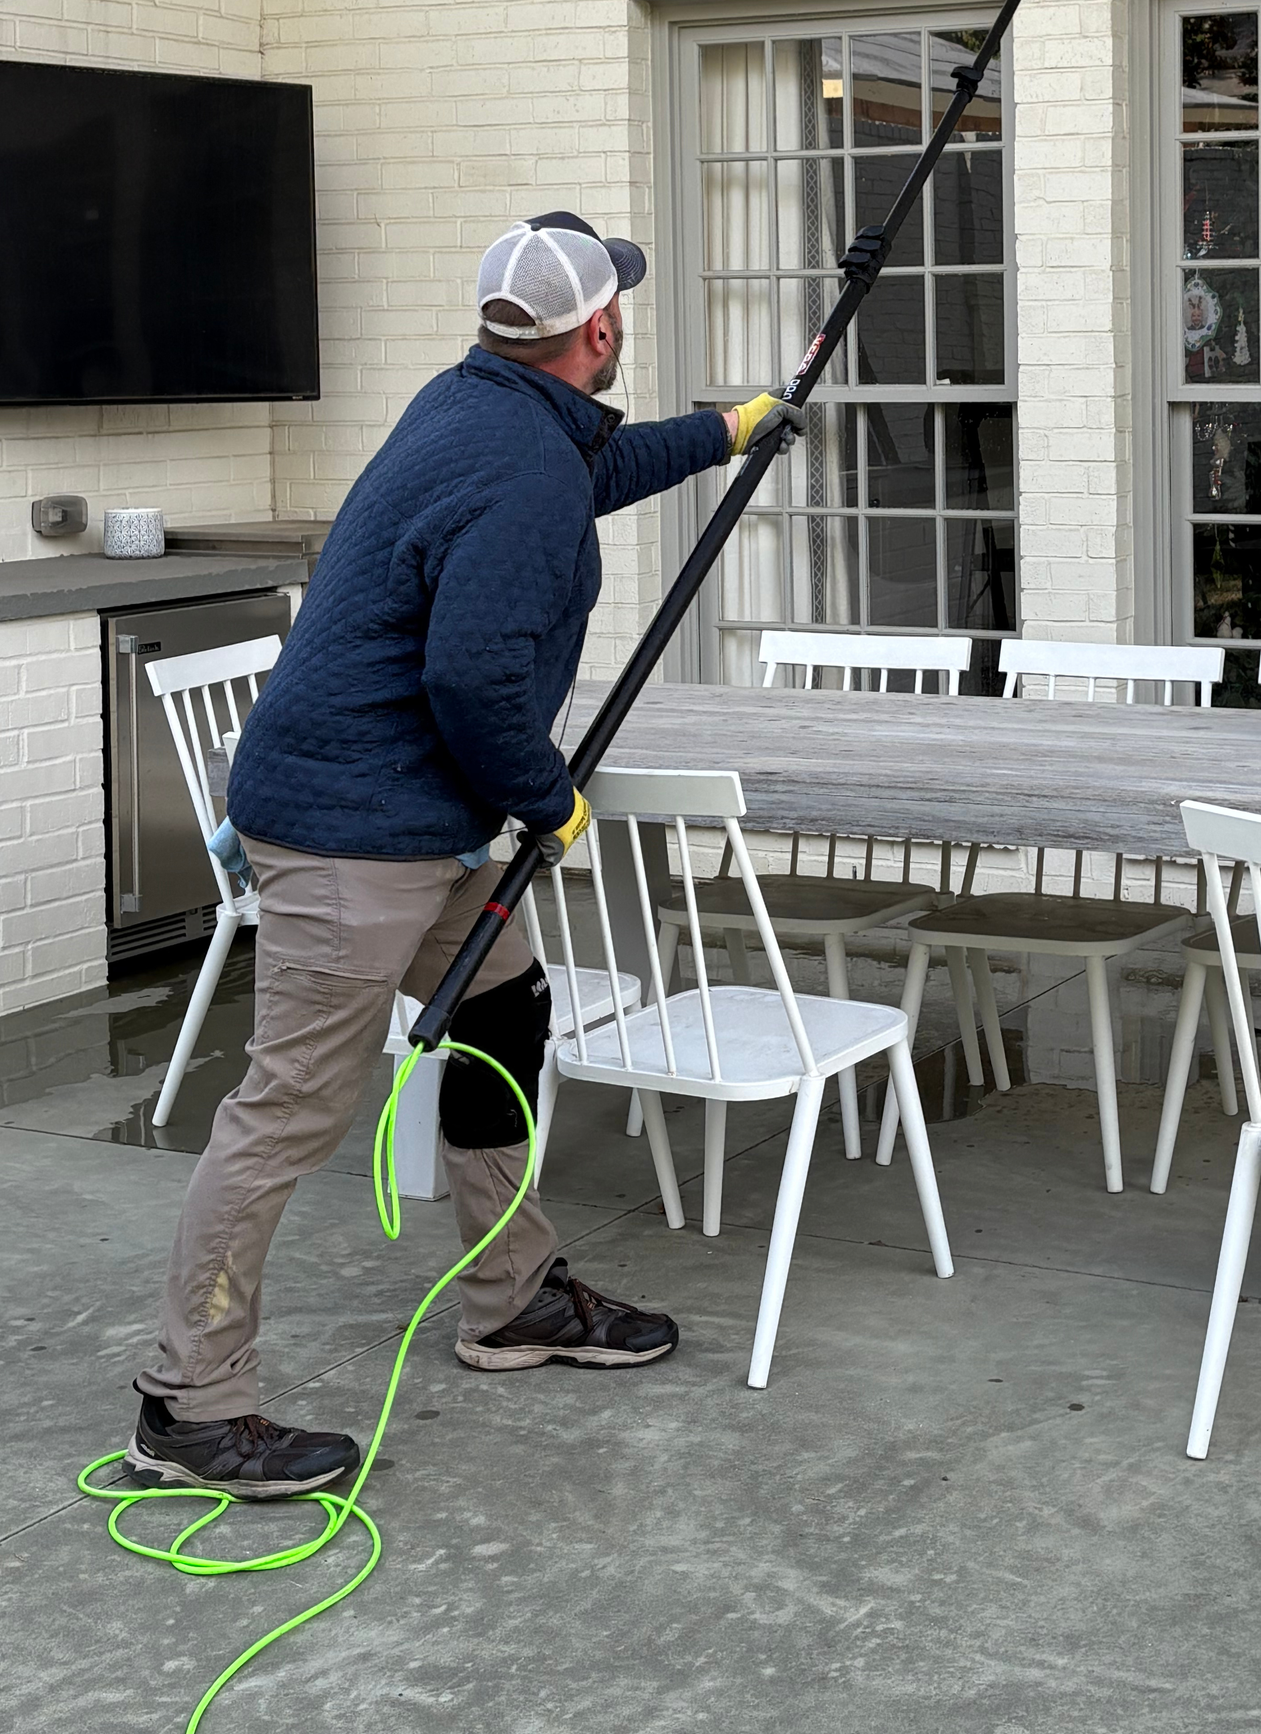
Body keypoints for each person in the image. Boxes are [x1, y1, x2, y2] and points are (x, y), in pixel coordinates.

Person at [126, 211, 800, 1499]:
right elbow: (475, 680)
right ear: (598, 329)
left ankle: (510, 1299)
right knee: (287, 1114)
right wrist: (547, 801)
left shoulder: (476, 404)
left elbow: (586, 468)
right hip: (351, 835)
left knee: (505, 1015)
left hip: (420, 823)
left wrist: (726, 430)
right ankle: (188, 1402)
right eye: (622, 316)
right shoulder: (519, 464)